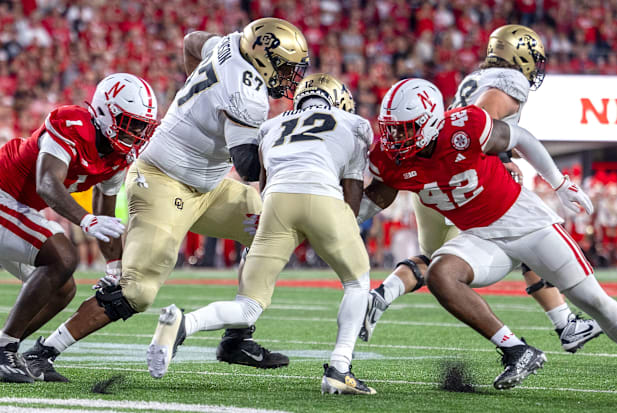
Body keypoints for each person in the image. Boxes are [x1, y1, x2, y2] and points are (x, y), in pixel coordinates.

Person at [23, 17, 310, 381]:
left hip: (209, 186)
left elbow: (193, 41)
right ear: (263, 57)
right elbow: (250, 167)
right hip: (163, 180)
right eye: (284, 67)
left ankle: (237, 336)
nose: (288, 77)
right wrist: (286, 141)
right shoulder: (247, 95)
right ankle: (43, 352)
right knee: (137, 291)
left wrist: (197, 87)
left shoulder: (231, 44)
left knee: (274, 232)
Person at [360, 77, 617, 389]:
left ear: (429, 120)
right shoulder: (390, 157)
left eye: (405, 129)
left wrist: (559, 182)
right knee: (441, 274)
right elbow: (380, 194)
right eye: (390, 128)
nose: (393, 138)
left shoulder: (463, 126)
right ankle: (516, 350)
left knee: (597, 304)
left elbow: (520, 137)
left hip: (527, 225)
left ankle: (566, 325)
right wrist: (344, 219)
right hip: (481, 237)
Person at [147, 73, 376, 395]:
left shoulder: (272, 125)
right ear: (337, 99)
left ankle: (185, 323)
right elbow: (351, 192)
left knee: (248, 305)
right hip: (323, 198)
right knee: (357, 283)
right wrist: (336, 227)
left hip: (277, 204)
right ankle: (340, 367)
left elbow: (264, 187)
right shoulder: (354, 123)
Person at [0, 73, 159, 383]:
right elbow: (47, 183)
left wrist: (116, 270)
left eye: (142, 124)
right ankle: (3, 349)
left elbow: (107, 214)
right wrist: (85, 220)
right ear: (105, 111)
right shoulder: (71, 123)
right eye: (131, 121)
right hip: (2, 192)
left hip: (17, 207)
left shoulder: (117, 155)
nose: (138, 131)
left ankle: (6, 345)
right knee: (63, 256)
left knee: (62, 289)